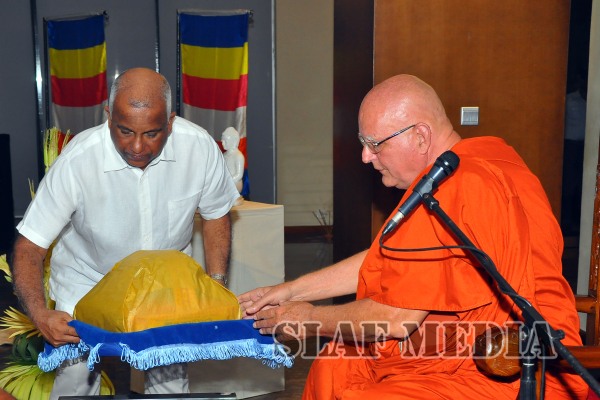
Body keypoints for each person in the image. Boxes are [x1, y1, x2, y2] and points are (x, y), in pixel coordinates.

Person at [239, 75, 588, 399]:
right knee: (337, 362)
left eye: (375, 144)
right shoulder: (472, 166)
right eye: (363, 143)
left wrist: (308, 319)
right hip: (468, 347)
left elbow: (396, 319)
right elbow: (387, 259)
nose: (365, 156)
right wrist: (291, 291)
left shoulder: (462, 185)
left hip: (514, 361)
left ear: (420, 136)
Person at [11, 68, 240, 399]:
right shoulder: (78, 159)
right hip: (87, 281)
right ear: (108, 116)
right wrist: (40, 314)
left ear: (171, 122)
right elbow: (28, 247)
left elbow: (216, 215)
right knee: (76, 381)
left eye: (152, 133)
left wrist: (216, 284)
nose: (137, 146)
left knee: (169, 383)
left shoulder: (198, 148)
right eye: (125, 130)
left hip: (164, 286)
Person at [221, 127, 245, 205]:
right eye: (222, 141)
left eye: (225, 141)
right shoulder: (224, 155)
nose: (222, 143)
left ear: (234, 141)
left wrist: (228, 180)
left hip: (234, 183)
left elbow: (239, 175)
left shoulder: (238, 156)